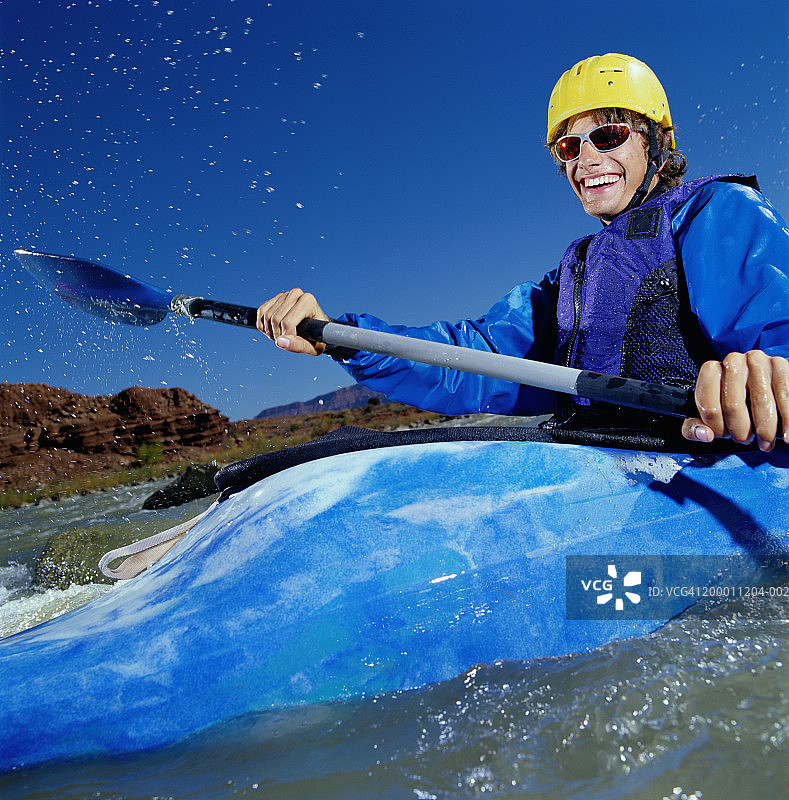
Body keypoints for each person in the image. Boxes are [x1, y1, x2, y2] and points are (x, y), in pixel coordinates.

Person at [258, 53, 789, 452]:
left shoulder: (716, 213)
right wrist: (340, 337)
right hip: (604, 464)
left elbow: (778, 330)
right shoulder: (574, 275)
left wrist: (769, 373)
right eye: (567, 146)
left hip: (705, 461)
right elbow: (471, 359)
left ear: (654, 141)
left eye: (607, 134)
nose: (585, 158)